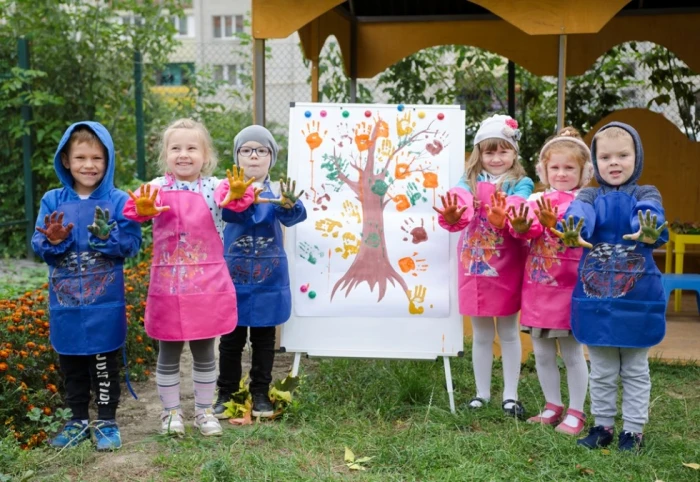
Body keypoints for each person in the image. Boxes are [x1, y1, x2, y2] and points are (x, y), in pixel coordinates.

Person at [123, 118, 254, 436]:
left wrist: (239, 193)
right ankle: (170, 414)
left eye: (192, 148)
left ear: (205, 155)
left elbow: (238, 200)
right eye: (176, 148)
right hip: (168, 289)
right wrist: (141, 209)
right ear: (165, 154)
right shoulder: (155, 188)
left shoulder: (213, 187)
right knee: (168, 352)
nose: (184, 154)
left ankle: (204, 411)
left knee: (204, 351)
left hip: (206, 288)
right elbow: (133, 209)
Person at [556, 122, 668, 451]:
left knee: (634, 369)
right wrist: (573, 227)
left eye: (623, 155)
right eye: (605, 157)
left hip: (637, 297)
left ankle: (632, 431)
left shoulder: (647, 192)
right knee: (602, 368)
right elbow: (581, 213)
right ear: (596, 161)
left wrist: (646, 229)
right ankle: (602, 425)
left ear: (638, 158)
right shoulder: (589, 194)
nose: (614, 162)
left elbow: (649, 214)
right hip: (597, 299)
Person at [32, 121, 142, 451]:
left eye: (97, 158)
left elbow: (133, 244)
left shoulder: (120, 199)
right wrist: (52, 241)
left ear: (107, 161)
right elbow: (40, 246)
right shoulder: (53, 200)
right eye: (80, 157)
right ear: (65, 160)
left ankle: (106, 420)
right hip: (65, 303)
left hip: (104, 303)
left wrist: (109, 238)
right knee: (72, 364)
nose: (89, 165)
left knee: (104, 363)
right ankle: (77, 419)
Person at [434, 114, 533, 418]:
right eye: (489, 151)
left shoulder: (521, 181)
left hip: (508, 262)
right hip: (474, 266)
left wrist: (508, 215)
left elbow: (521, 206)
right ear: (479, 153)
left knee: (508, 330)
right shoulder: (468, 180)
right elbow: (460, 200)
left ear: (514, 152)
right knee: (480, 333)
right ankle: (482, 393)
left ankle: (510, 394)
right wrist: (454, 213)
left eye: (503, 150)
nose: (496, 157)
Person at [213, 125, 306, 419]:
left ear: (271, 157)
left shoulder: (279, 190)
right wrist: (240, 196)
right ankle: (226, 392)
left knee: (265, 339)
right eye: (246, 150)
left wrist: (290, 206)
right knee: (231, 339)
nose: (254, 156)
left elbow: (293, 216)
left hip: (269, 279)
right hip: (234, 278)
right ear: (237, 156)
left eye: (261, 150)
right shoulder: (226, 187)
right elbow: (229, 211)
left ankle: (260, 393)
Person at [507, 127, 593, 435]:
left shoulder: (587, 200)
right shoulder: (535, 198)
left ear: (583, 171)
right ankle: (552, 405)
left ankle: (577, 411)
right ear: (544, 169)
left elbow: (584, 233)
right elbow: (523, 232)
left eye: (569, 167)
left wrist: (555, 223)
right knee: (542, 352)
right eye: (554, 167)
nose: (561, 173)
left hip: (571, 287)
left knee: (571, 353)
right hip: (538, 287)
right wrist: (519, 225)